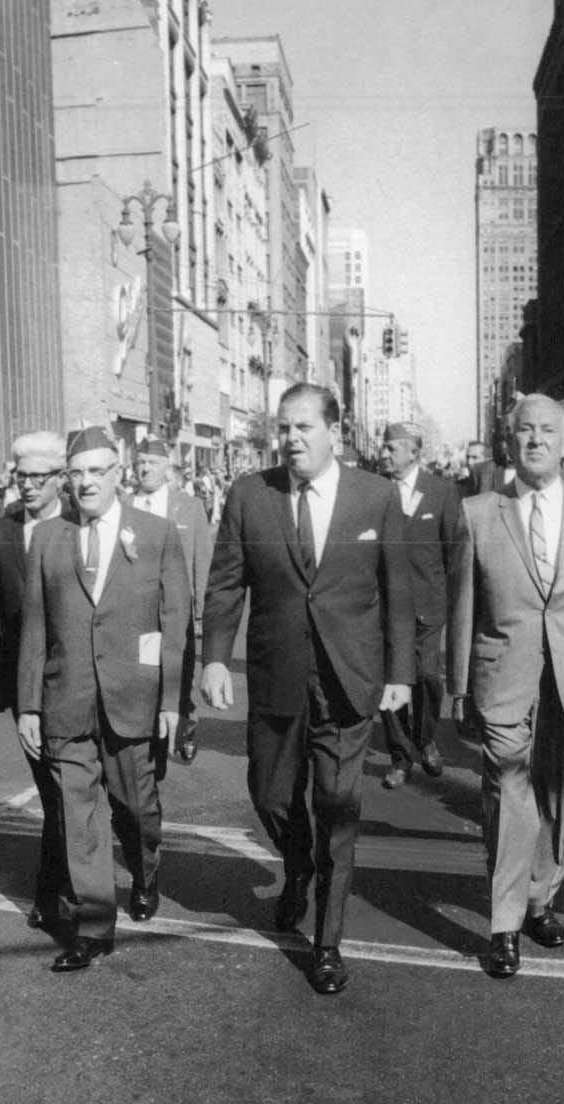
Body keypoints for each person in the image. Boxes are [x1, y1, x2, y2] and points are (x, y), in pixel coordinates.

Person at [201, 383, 415, 996]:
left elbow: (399, 592)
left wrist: (400, 676)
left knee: (337, 806)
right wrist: (215, 659)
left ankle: (327, 942)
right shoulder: (250, 495)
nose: (291, 440)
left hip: (349, 681)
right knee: (269, 795)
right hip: (278, 675)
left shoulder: (375, 497)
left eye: (304, 428)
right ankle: (297, 867)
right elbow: (224, 584)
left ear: (334, 432)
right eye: (284, 429)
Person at [450, 395, 564, 978]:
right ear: (509, 441)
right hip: (501, 673)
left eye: (548, 431)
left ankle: (542, 896)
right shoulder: (477, 511)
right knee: (507, 786)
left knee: (555, 792)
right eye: (525, 431)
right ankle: (505, 922)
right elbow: (463, 604)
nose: (536, 440)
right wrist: (457, 685)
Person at [17, 428, 190, 970]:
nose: (87, 481)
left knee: (136, 809)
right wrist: (28, 704)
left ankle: (145, 870)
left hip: (132, 698)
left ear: (119, 474)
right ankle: (93, 926)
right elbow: (35, 625)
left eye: (98, 470)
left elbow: (175, 622)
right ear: (67, 478)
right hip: (66, 698)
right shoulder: (48, 537)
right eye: (77, 472)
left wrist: (170, 701)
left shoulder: (156, 533)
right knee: (79, 815)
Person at [0, 431, 69, 922]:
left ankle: (57, 886)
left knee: (68, 786)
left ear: (60, 478)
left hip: (75, 675)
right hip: (24, 681)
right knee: (50, 784)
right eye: (23, 476)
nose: (31, 485)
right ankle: (55, 887)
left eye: (41, 477)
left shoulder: (81, 525)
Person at [375, 420, 462, 790]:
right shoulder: (375, 492)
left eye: (392, 448)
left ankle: (425, 739)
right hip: (385, 607)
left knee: (426, 677)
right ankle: (400, 756)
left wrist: (452, 602)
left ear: (414, 451)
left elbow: (454, 552)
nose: (385, 454)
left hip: (428, 604)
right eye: (384, 447)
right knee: (392, 682)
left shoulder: (441, 492)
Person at [126, 437, 213, 765]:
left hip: (179, 613)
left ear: (167, 469)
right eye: (141, 462)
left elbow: (201, 562)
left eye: (152, 462)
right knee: (145, 674)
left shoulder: (188, 507)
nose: (145, 468)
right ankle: (150, 735)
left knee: (182, 673)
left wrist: (202, 614)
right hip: (138, 613)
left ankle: (186, 726)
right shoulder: (124, 505)